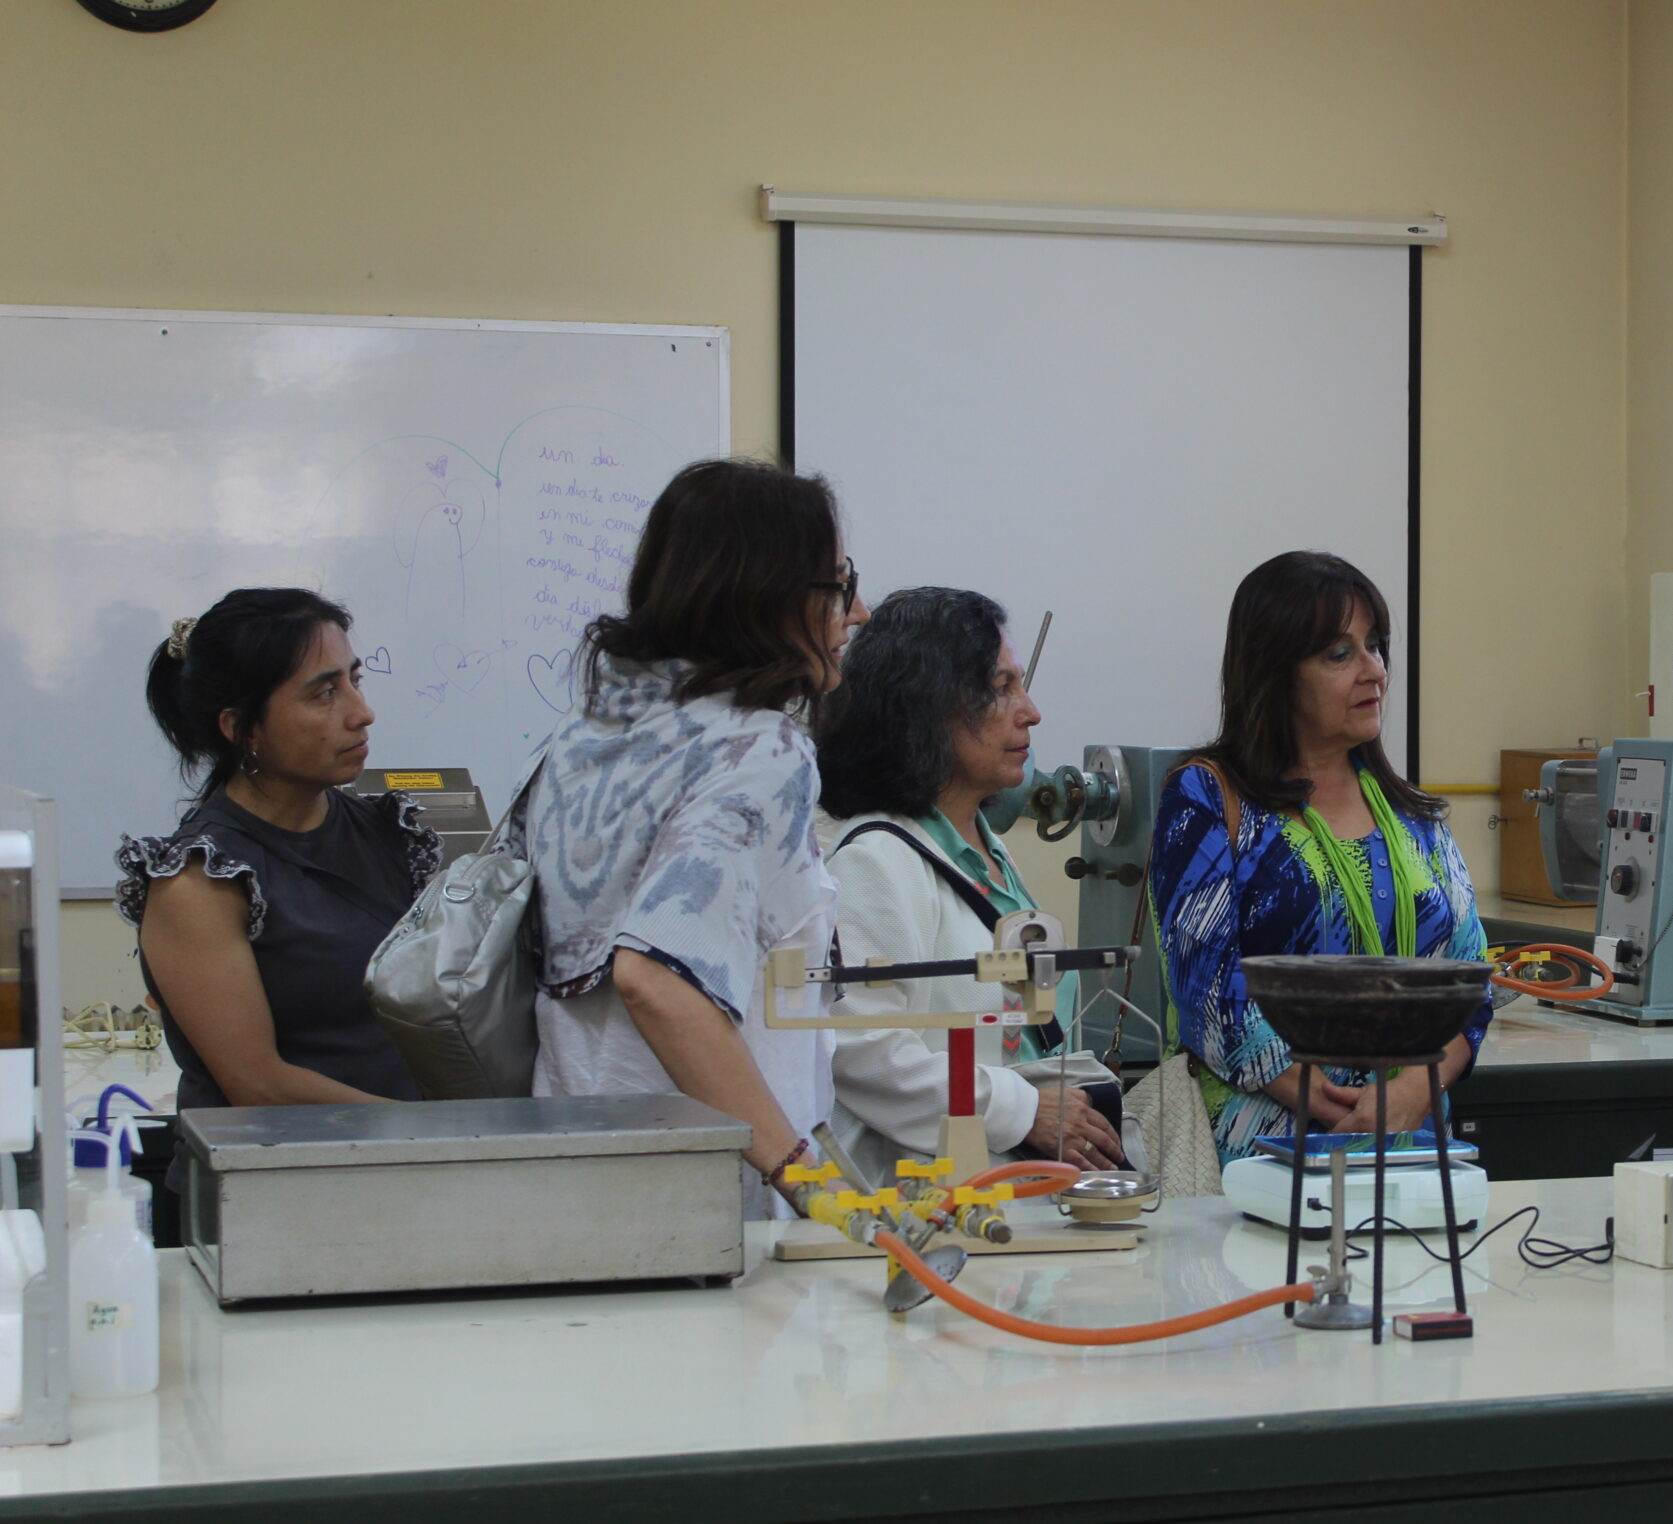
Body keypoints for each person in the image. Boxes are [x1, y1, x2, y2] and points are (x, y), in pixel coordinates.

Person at [520, 458, 863, 1216]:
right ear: (767, 594)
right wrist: (810, 1183)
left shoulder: (579, 738)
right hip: (700, 1205)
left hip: (570, 1177)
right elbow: (654, 978)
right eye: (839, 585)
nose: (858, 612)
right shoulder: (761, 750)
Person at [1151, 551, 1492, 1163]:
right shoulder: (1208, 795)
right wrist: (1324, 1098)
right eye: (1340, 654)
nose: (1375, 671)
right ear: (1275, 672)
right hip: (1260, 1154)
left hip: (1411, 1149)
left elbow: (1471, 980)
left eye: (1375, 646)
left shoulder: (1412, 814)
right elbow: (1203, 986)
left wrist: (1416, 1086)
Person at [813, 587, 1125, 1182]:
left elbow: (1022, 1031)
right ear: (925, 706)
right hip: (939, 1196)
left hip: (1025, 1182)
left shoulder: (987, 854)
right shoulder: (876, 862)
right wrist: (1020, 1110)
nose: (1030, 712)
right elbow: (859, 1049)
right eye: (1001, 688)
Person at [117, 588, 442, 1110]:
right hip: (286, 1160)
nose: (362, 713)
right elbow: (259, 1085)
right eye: (324, 693)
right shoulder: (200, 881)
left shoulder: (386, 832)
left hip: (410, 1150)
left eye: (354, 681)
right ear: (241, 729)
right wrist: (442, 1133)